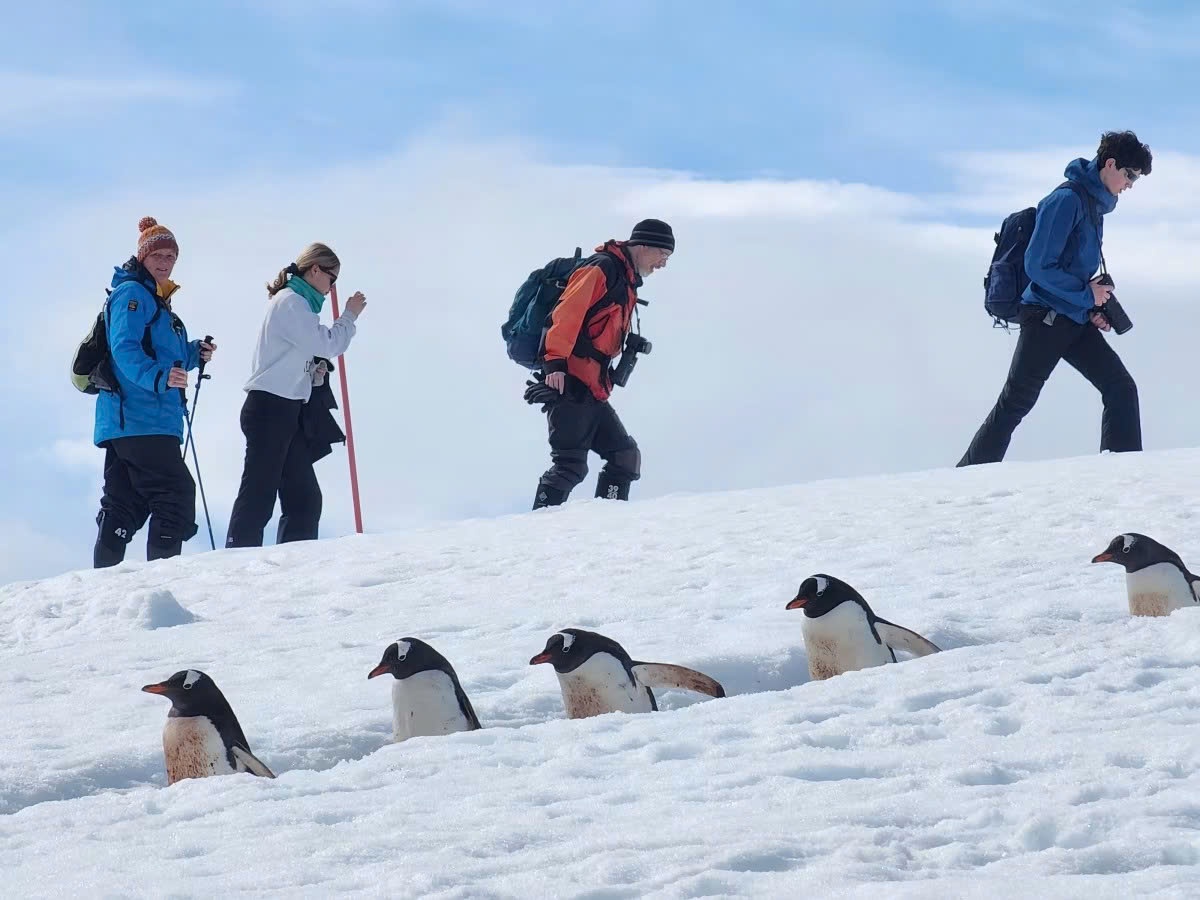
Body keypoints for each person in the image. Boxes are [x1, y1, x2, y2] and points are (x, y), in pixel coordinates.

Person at [957, 131, 1152, 467]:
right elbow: (1038, 264)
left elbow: (1068, 266)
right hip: (1045, 318)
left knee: (1120, 387)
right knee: (1015, 403)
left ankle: (1122, 475)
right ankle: (965, 477)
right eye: (1131, 175)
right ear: (1110, 164)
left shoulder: (1093, 204)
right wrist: (1084, 294)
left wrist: (1089, 304)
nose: (1131, 185)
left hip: (1072, 317)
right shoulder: (1066, 200)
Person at [224, 243, 367, 548]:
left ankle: (294, 566)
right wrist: (349, 317)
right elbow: (327, 344)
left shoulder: (298, 305)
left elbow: (296, 354)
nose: (331, 288)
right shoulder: (291, 302)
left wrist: (311, 378)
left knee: (304, 498)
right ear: (314, 269)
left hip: (285, 409)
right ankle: (237, 555)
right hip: (269, 408)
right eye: (332, 278)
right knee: (259, 493)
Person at [524, 219, 674, 508]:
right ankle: (535, 532)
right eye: (663, 255)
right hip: (571, 381)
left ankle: (607, 523)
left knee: (624, 457)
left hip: (592, 387)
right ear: (643, 246)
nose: (663, 264)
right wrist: (554, 364)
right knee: (570, 466)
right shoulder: (602, 268)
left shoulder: (625, 276)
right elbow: (566, 313)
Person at [93, 217, 216, 567]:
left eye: (170, 257)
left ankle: (101, 583)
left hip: (128, 420)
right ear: (142, 256)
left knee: (124, 502)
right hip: (141, 416)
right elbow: (125, 350)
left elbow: (160, 352)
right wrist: (160, 379)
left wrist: (193, 353)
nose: (164, 262)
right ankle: (160, 582)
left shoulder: (153, 298)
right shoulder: (133, 294)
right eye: (158, 255)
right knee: (174, 494)